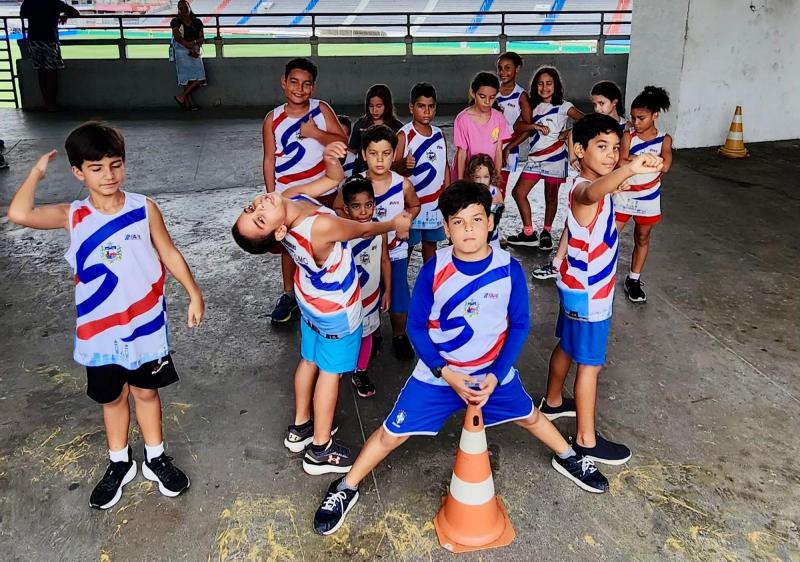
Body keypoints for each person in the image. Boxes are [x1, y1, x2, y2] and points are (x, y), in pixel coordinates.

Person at [312, 180, 611, 536]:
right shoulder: (434, 269)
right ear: (446, 227)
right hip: (439, 375)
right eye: (458, 222)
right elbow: (417, 328)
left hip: (491, 376)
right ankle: (345, 486)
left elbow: (519, 325)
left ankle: (570, 457)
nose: (468, 229)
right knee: (391, 434)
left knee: (530, 416)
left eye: (476, 219)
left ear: (490, 222)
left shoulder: (509, 268)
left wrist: (497, 374)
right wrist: (445, 372)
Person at [7, 122, 205, 509]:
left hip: (146, 325)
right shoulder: (73, 215)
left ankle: (156, 458)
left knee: (146, 392)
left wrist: (193, 293)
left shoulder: (143, 208)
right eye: (96, 168)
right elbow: (18, 213)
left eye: (115, 165)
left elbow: (168, 252)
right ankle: (119, 463)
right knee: (112, 399)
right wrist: (35, 174)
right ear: (78, 172)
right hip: (101, 332)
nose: (108, 175)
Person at [231, 146, 411, 476]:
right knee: (330, 373)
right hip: (336, 311)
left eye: (250, 207)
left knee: (309, 359)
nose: (260, 205)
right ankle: (320, 448)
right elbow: (363, 229)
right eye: (259, 218)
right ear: (279, 233)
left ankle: (300, 427)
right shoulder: (320, 227)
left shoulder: (287, 198)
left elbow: (332, 179)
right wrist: (394, 223)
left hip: (310, 300)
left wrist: (330, 159)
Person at [540, 113, 663, 465]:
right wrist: (629, 169)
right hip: (590, 294)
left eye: (614, 148)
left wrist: (618, 180)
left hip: (575, 286)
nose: (611, 154)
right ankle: (585, 440)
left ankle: (552, 401)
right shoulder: (584, 191)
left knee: (567, 344)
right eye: (601, 147)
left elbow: (597, 194)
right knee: (590, 365)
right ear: (580, 150)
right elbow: (591, 193)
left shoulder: (593, 185)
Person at [262, 57, 348, 323]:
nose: (300, 89)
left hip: (322, 191)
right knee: (288, 246)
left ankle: (324, 290)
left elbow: (342, 141)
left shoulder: (321, 109)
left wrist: (315, 133)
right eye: (294, 82)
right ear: (283, 82)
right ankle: (289, 294)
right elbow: (269, 159)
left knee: (323, 242)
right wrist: (272, 195)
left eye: (306, 84)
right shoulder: (272, 119)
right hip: (288, 195)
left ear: (314, 87)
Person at [335, 125, 420, 361]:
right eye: (373, 153)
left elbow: (415, 205)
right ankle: (373, 335)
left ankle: (399, 335)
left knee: (398, 296)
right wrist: (355, 228)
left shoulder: (403, 184)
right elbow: (338, 207)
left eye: (386, 153)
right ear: (364, 154)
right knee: (368, 292)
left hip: (396, 251)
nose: (380, 159)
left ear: (394, 155)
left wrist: (407, 218)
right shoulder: (354, 184)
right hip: (364, 252)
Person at [532, 80, 628, 281]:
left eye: (601, 103)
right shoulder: (591, 124)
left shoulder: (623, 128)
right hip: (586, 284)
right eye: (595, 104)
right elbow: (572, 134)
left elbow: (621, 159)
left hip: (610, 186)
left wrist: (615, 182)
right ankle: (559, 264)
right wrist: (574, 158)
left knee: (600, 229)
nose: (597, 108)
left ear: (614, 103)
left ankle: (585, 264)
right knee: (575, 222)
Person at [507, 66, 584, 251]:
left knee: (551, 196)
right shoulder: (531, 106)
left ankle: (546, 233)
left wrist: (568, 132)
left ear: (556, 85)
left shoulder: (564, 106)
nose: (544, 88)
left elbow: (585, 120)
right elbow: (518, 126)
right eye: (540, 84)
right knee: (518, 192)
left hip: (556, 158)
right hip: (534, 158)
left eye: (549, 83)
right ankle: (528, 233)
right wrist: (534, 126)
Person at [616, 86, 673, 303]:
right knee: (610, 235)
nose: (636, 122)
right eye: (633, 118)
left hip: (648, 197)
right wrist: (647, 159)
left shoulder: (664, 139)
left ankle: (634, 279)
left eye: (641, 118)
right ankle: (601, 272)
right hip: (624, 194)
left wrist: (637, 159)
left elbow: (665, 165)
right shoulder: (628, 135)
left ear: (655, 116)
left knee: (642, 237)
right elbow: (621, 161)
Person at [341, 177, 391, 398]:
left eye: (368, 204)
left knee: (367, 333)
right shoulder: (342, 233)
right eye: (356, 206)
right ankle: (337, 369)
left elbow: (385, 260)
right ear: (346, 209)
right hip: (347, 299)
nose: (363, 211)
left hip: (372, 295)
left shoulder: (380, 229)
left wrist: (388, 291)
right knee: (346, 335)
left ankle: (361, 371)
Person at [394, 82, 449, 263]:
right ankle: (401, 278)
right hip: (411, 205)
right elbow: (390, 169)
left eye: (431, 106)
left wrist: (447, 194)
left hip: (434, 204)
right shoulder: (404, 135)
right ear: (412, 107)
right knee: (407, 246)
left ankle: (430, 278)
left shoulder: (439, 134)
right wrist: (404, 164)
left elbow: (444, 166)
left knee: (431, 245)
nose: (426, 111)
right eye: (421, 106)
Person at [20, 0, 80, 112]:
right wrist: (64, 15)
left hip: (33, 39)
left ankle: (47, 102)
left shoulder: (29, 1)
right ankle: (51, 105)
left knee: (40, 71)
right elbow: (76, 13)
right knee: (51, 72)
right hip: (50, 39)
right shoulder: (55, 2)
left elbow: (22, 14)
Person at [452, 72, 509, 181]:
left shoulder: (499, 118)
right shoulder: (462, 119)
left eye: (492, 97)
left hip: (486, 177)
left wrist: (495, 179)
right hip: (468, 176)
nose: (487, 102)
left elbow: (498, 152)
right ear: (473, 93)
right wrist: (460, 181)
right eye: (482, 96)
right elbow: (462, 152)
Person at [348, 84, 404, 176]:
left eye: (379, 106)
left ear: (387, 105)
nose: (374, 110)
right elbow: (352, 151)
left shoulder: (398, 127)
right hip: (362, 172)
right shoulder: (360, 124)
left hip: (388, 172)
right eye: (371, 106)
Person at [496, 51, 530, 200]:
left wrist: (509, 148)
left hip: (507, 149)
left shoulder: (521, 96)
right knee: (484, 185)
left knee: (499, 189)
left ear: (517, 69)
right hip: (488, 146)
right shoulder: (492, 91)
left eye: (507, 68)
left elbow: (528, 129)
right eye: (500, 68)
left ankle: (495, 216)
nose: (502, 72)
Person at [170, 0, 206, 111]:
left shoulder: (197, 21)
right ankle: (188, 104)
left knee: (200, 77)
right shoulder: (175, 21)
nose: (184, 10)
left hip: (193, 49)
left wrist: (193, 46)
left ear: (189, 7)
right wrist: (189, 46)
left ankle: (182, 96)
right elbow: (177, 38)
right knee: (185, 78)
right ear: (178, 10)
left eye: (185, 7)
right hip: (181, 51)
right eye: (181, 8)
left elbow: (201, 38)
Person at [466, 153, 504, 250]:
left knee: (493, 254)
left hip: (492, 235)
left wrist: (498, 205)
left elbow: (502, 207)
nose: (482, 181)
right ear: (471, 177)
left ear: (491, 176)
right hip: (475, 234)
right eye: (477, 177)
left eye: (486, 177)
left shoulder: (494, 190)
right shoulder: (469, 192)